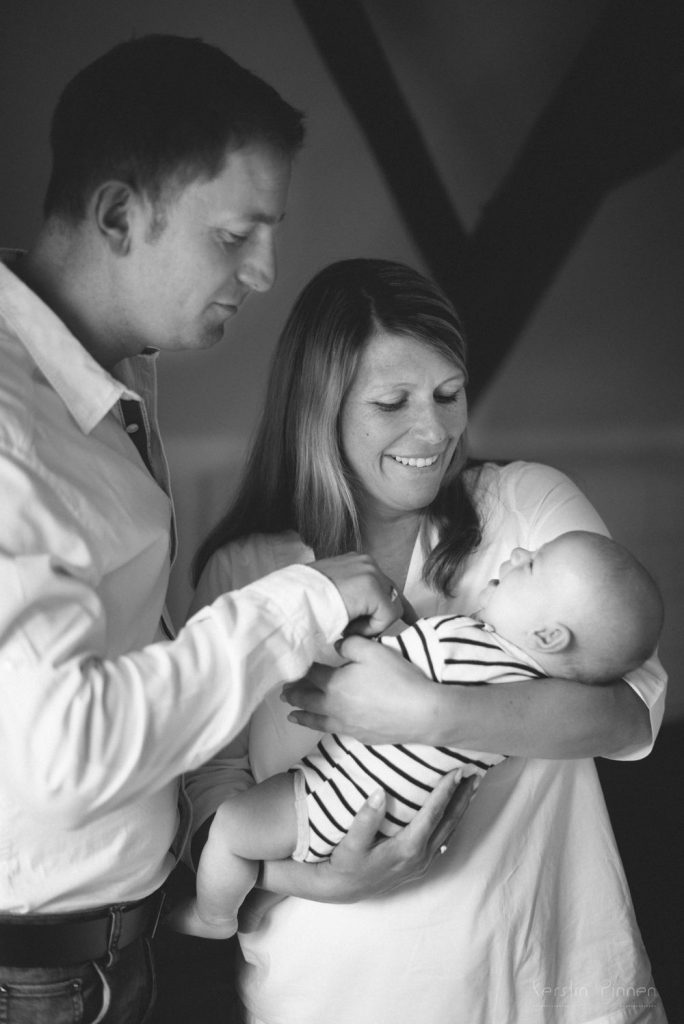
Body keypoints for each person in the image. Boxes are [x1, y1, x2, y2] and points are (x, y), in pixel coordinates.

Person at [0, 41, 467, 1024]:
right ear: (121, 215)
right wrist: (295, 604)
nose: (263, 272)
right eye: (234, 235)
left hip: (116, 944)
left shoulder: (99, 378)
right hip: (37, 984)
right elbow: (60, 755)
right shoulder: (10, 430)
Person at [186, 258, 668, 1023]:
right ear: (320, 410)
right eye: (392, 402)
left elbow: (627, 713)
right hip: (324, 989)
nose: (435, 430)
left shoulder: (524, 509)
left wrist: (427, 712)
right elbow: (212, 782)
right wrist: (317, 879)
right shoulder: (246, 570)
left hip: (534, 979)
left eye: (449, 395)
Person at [174, 529, 663, 938]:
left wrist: (342, 619)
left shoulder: (457, 642)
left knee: (231, 829)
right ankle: (261, 899)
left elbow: (372, 667)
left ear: (550, 636)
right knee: (283, 840)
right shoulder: (532, 694)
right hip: (396, 819)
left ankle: (213, 917)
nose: (516, 554)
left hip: (333, 796)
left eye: (532, 566)